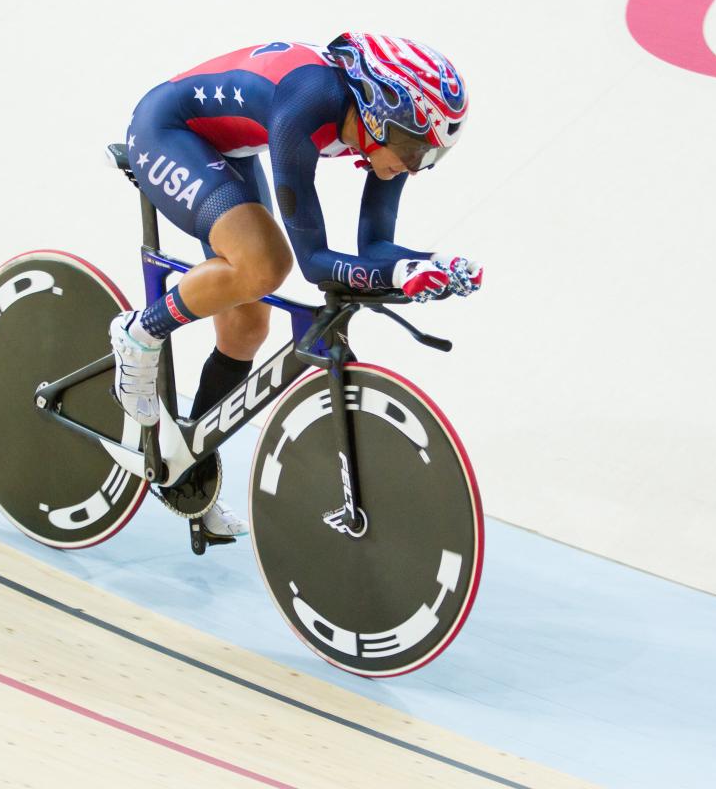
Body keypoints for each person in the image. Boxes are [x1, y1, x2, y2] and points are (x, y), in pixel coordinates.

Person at [110, 32, 481, 539]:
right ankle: (140, 333)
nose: (415, 167)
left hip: (226, 147)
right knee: (265, 263)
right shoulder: (307, 104)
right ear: (379, 110)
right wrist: (399, 275)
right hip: (166, 130)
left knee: (246, 324)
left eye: (430, 157)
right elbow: (314, 263)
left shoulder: (385, 136)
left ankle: (188, 462)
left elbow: (374, 249)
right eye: (416, 150)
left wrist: (431, 265)